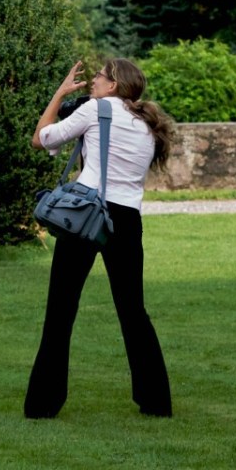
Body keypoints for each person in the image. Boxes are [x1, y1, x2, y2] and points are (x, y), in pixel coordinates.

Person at [24, 58, 175, 419]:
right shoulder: (146, 123)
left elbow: (40, 138)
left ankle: (44, 404)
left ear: (113, 84)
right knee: (132, 311)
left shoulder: (96, 109)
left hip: (86, 216)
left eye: (99, 76)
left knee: (61, 309)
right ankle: (156, 402)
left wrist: (60, 94)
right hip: (126, 219)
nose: (93, 81)